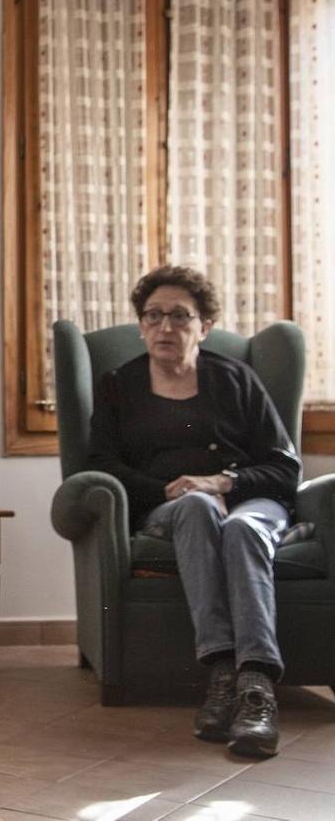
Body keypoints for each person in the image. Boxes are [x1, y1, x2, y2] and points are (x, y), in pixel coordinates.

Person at [87, 265, 300, 758]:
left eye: (181, 317)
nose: (166, 328)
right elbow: (100, 463)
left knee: (244, 530)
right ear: (141, 325)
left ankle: (255, 690)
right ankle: (222, 671)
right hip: (171, 508)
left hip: (250, 501)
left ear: (204, 327)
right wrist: (169, 491)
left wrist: (225, 481)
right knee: (199, 510)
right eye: (154, 316)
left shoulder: (237, 379)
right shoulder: (119, 385)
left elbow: (285, 467)